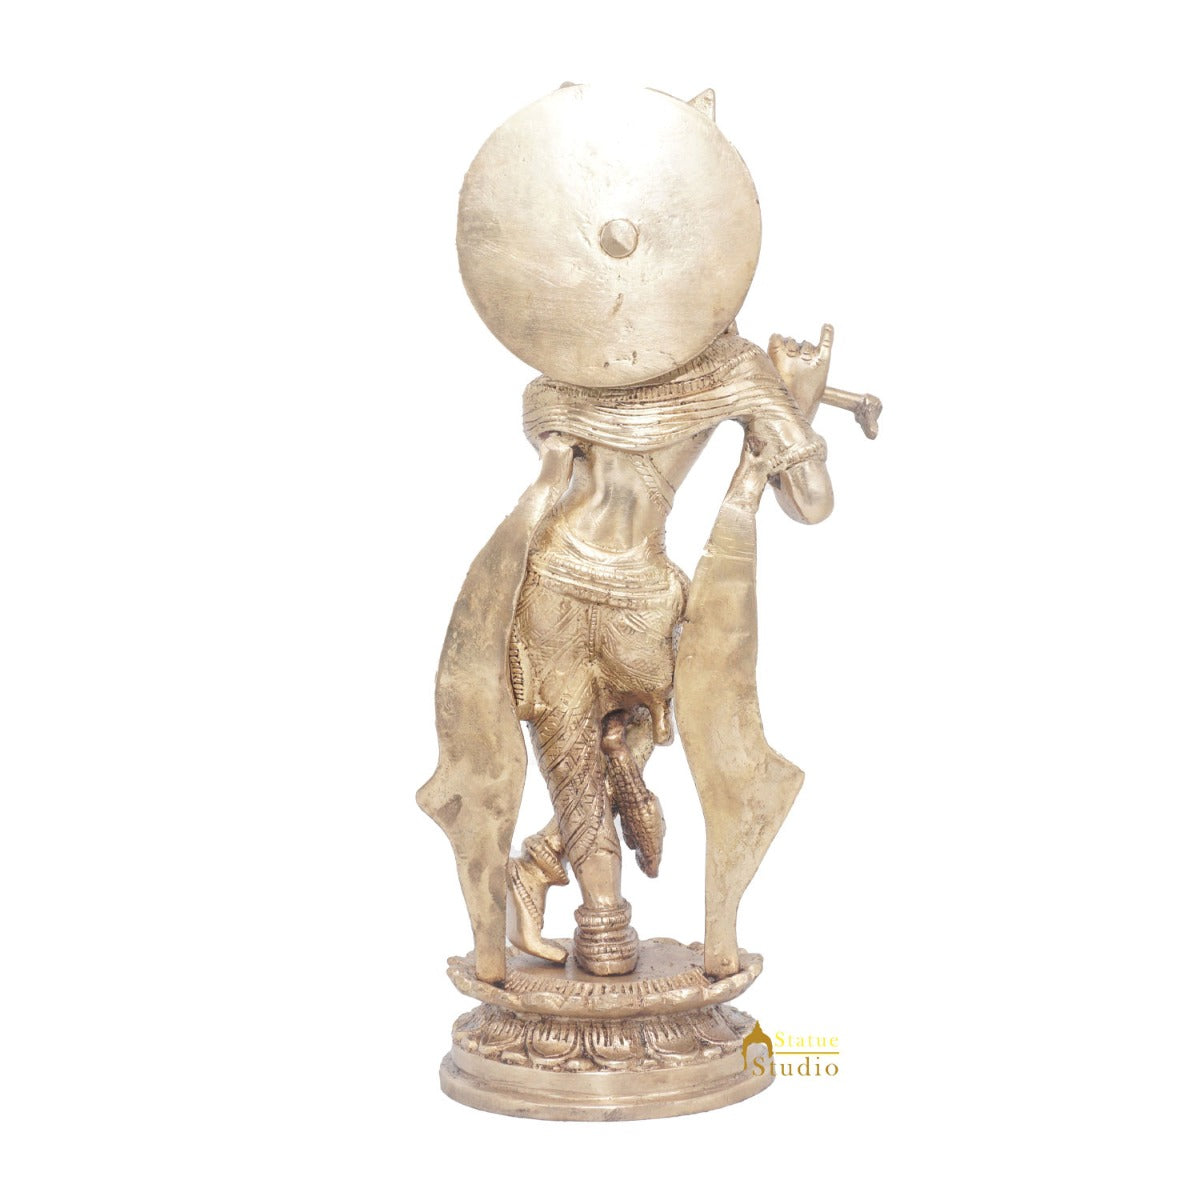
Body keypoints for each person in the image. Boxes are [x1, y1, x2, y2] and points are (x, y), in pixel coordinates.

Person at [503, 325, 835, 974]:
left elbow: (812, 504)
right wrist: (790, 404)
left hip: (639, 593)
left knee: (634, 737)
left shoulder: (731, 367)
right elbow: (813, 499)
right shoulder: (580, 353)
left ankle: (540, 863)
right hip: (556, 577)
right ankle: (595, 911)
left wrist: (788, 404)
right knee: (577, 757)